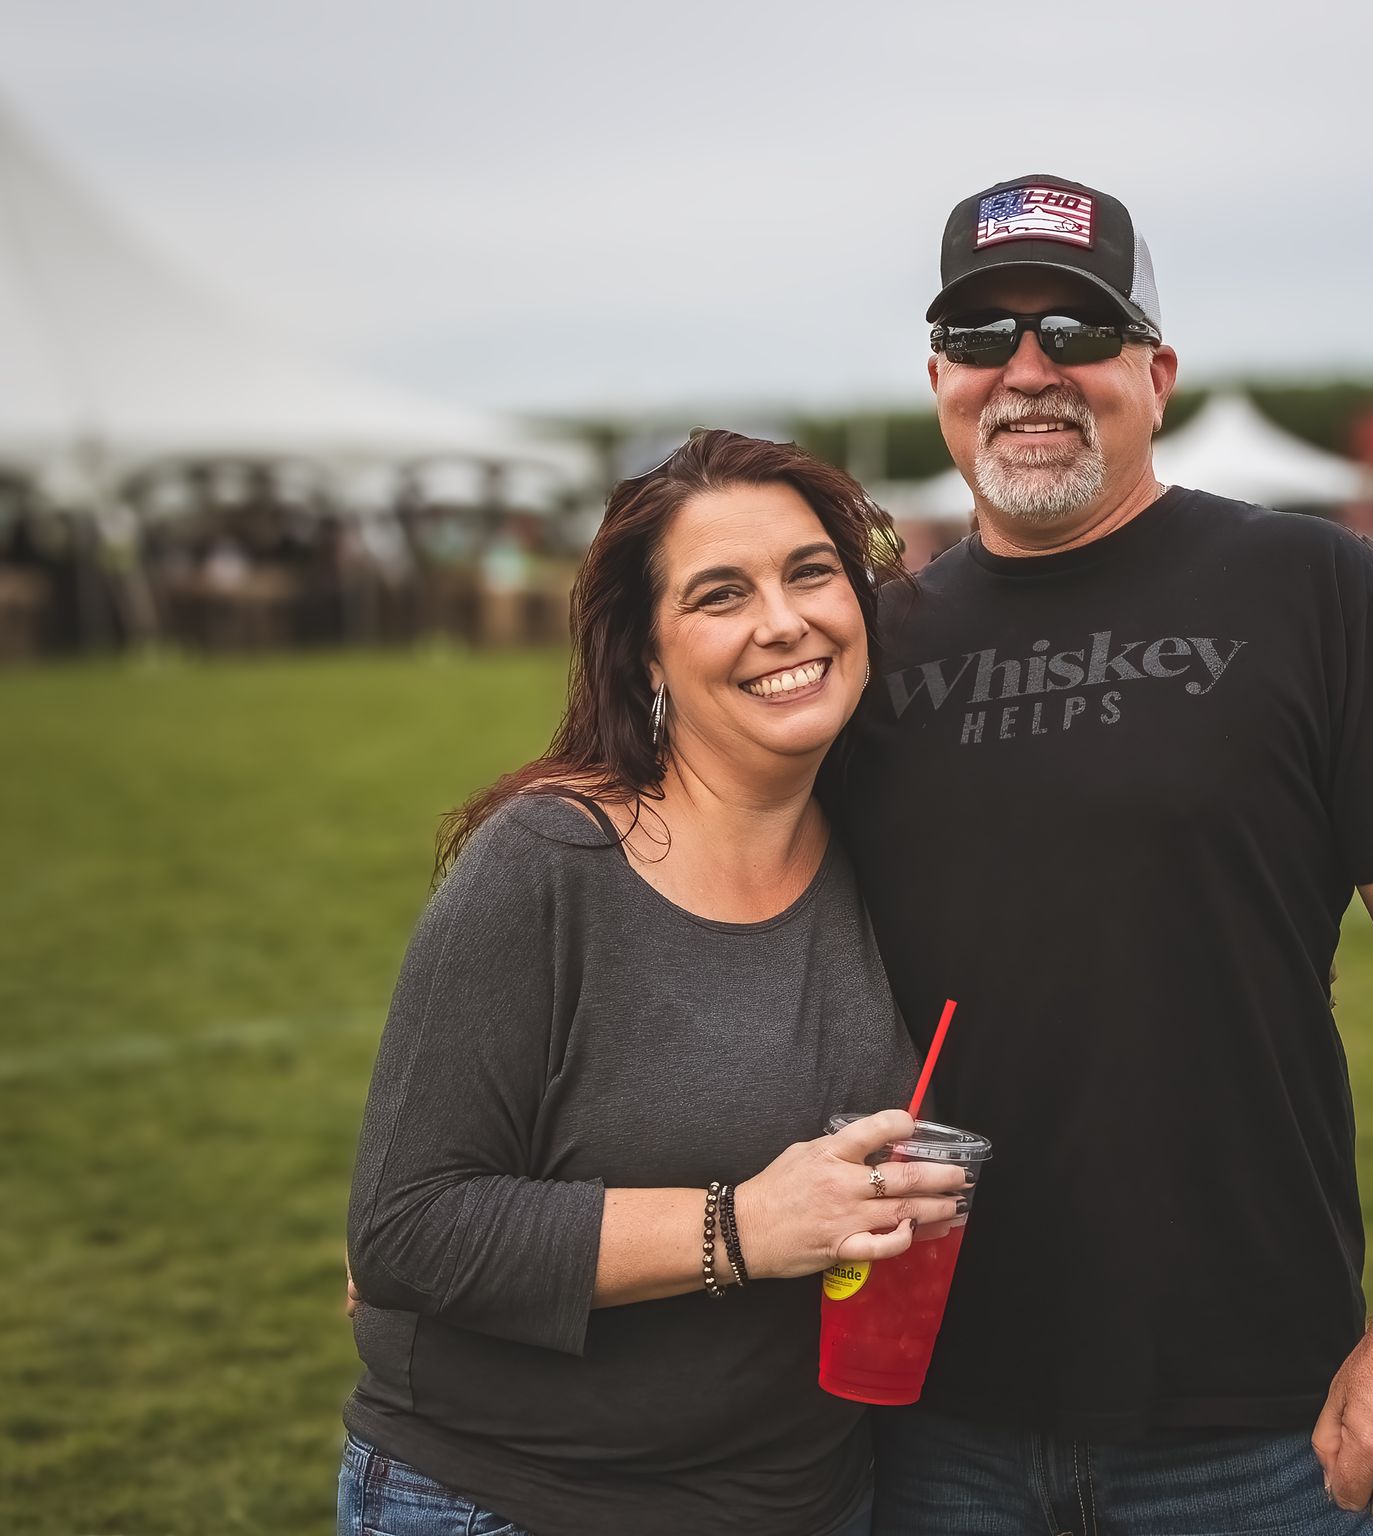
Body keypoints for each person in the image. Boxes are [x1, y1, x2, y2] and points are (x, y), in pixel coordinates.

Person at [833, 175, 1373, 1532]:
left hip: (1255, 1417)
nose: (1026, 371)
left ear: (1155, 374)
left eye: (1074, 331)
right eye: (983, 340)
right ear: (938, 379)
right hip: (919, 1408)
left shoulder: (1312, 589)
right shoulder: (867, 646)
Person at [339, 431, 972, 1536]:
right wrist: (744, 1228)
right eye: (721, 594)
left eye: (810, 572)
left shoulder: (880, 839)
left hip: (812, 1500)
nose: (783, 621)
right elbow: (402, 1232)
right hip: (522, 1502)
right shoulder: (550, 861)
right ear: (644, 655)